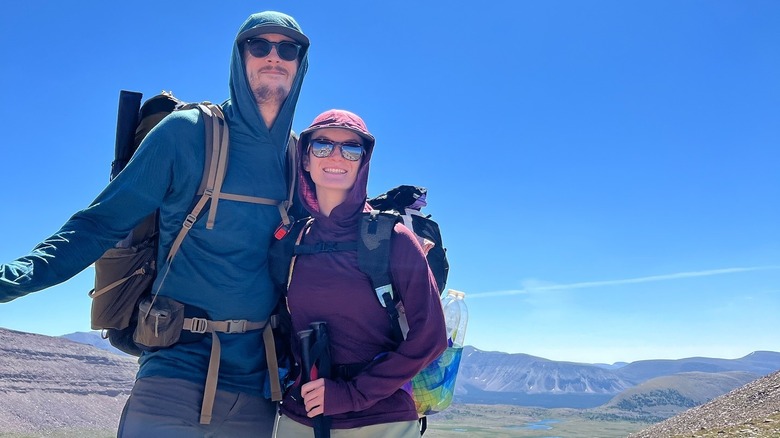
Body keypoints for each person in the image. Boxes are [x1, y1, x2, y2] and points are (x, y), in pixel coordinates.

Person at [0, 11, 309, 437]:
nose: (274, 56)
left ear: (300, 62)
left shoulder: (300, 158)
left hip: (257, 387)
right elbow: (98, 224)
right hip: (173, 370)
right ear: (239, 57)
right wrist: (10, 280)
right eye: (259, 45)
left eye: (287, 48)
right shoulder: (186, 134)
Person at [274, 110, 447, 437]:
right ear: (306, 160)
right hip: (299, 416)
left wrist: (352, 394)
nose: (336, 155)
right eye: (322, 145)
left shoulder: (392, 239)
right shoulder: (289, 242)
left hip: (379, 421)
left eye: (351, 149)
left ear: (363, 162)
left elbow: (431, 336)